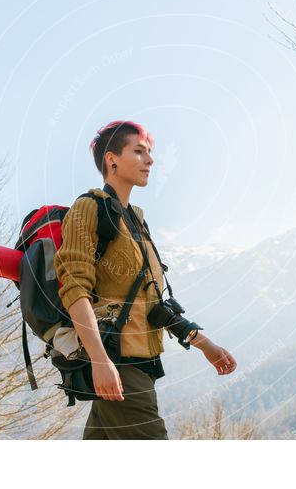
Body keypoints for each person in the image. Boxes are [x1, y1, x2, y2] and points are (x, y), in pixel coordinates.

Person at [54, 119, 237, 440]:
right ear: (112, 159)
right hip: (117, 362)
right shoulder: (88, 208)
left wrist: (205, 344)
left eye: (150, 152)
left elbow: (153, 303)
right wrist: (99, 361)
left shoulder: (136, 221)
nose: (150, 160)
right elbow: (74, 288)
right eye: (138, 152)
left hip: (142, 363)